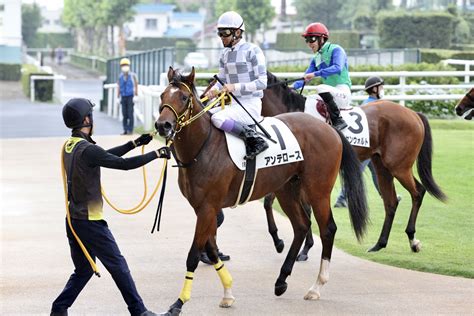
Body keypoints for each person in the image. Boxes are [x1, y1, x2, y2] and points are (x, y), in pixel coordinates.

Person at [51, 98, 170, 316]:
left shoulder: (71, 145)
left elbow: (104, 156)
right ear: (87, 119)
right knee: (118, 265)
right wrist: (156, 154)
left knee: (84, 270)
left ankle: (58, 309)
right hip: (90, 223)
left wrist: (134, 144)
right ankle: (139, 311)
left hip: (73, 220)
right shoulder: (87, 149)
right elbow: (121, 165)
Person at [204, 11, 269, 160]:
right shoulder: (224, 54)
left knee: (217, 119)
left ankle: (254, 139)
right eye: (219, 33)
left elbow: (262, 83)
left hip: (250, 105)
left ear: (238, 32)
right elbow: (221, 80)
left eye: (225, 33)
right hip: (234, 105)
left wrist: (235, 87)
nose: (222, 37)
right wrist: (213, 90)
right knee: (205, 116)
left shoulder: (253, 50)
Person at [334, 76, 401, 207]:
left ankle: (386, 195)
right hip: (367, 144)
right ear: (375, 89)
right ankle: (341, 198)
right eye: (381, 87)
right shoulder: (374, 106)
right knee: (357, 171)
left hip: (369, 144)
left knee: (377, 171)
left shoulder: (367, 103)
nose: (382, 89)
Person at [293, 22, 351, 131]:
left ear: (322, 39)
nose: (309, 43)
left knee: (320, 87)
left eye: (312, 39)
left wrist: (315, 73)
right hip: (330, 94)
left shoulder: (337, 50)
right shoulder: (316, 58)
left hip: (342, 93)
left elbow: (337, 68)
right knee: (309, 100)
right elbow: (306, 77)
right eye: (307, 40)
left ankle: (338, 120)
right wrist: (292, 87)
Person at [117, 58, 139, 135]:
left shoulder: (133, 75)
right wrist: (117, 96)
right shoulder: (120, 76)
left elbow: (136, 85)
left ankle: (130, 130)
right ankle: (125, 130)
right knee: (124, 114)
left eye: (126, 65)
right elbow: (119, 86)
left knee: (130, 113)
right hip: (123, 97)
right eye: (123, 65)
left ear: (129, 66)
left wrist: (136, 95)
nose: (124, 66)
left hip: (130, 97)